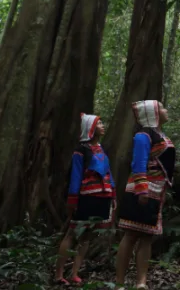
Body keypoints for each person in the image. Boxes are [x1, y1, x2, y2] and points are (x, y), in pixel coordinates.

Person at [115, 100, 175, 290]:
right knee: (131, 234)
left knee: (147, 236)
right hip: (141, 189)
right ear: (154, 113)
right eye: (162, 108)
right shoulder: (143, 136)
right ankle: (119, 283)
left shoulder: (160, 135)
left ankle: (141, 281)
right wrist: (142, 190)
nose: (166, 110)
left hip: (156, 190)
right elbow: (138, 163)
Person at [54, 113, 114, 286]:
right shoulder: (81, 150)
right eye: (99, 123)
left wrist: (113, 194)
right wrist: (72, 200)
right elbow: (76, 175)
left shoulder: (101, 149)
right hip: (86, 197)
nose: (103, 125)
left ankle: (74, 273)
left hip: (102, 196)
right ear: (91, 128)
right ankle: (58, 274)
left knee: (87, 236)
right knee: (72, 233)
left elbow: (109, 172)